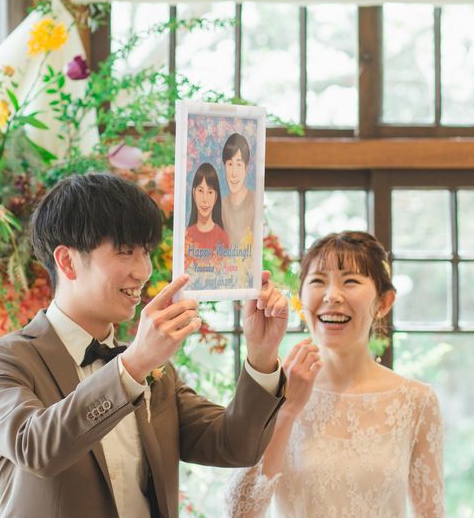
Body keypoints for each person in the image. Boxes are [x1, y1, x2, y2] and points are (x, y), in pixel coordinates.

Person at [0, 172, 290, 518]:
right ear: (68, 262)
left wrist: (262, 354)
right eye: (125, 252)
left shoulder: (155, 370)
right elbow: (35, 448)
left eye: (145, 252)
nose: (144, 271)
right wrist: (133, 367)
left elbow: (235, 446)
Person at [227, 231, 445, 517]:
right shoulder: (270, 389)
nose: (332, 296)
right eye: (318, 281)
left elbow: (430, 512)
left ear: (384, 303)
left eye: (350, 281)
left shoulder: (417, 400)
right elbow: (240, 512)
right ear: (301, 298)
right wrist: (287, 409)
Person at [221, 133, 255, 246]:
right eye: (230, 164)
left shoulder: (255, 202)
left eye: (239, 165)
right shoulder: (221, 205)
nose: (233, 173)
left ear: (246, 168)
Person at [186, 162, 230, 250]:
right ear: (194, 193)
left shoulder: (223, 238)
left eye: (210, 192)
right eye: (200, 191)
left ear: (216, 196)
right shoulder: (186, 237)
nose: (205, 199)